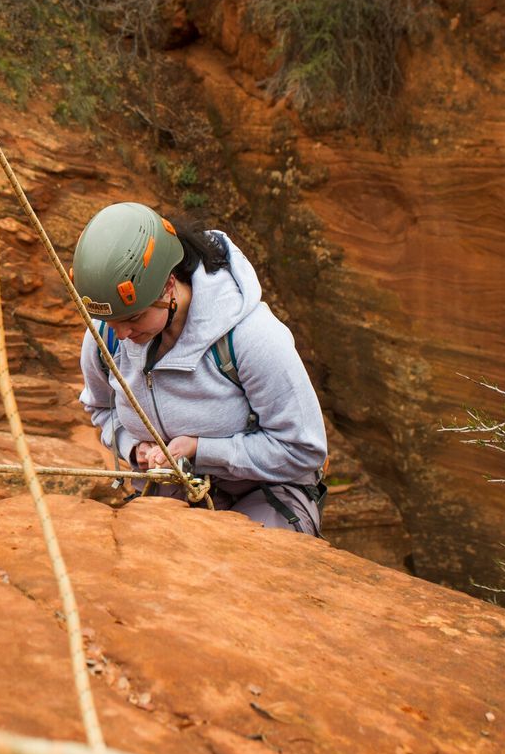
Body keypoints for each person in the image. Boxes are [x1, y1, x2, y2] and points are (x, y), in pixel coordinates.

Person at [71, 203, 328, 534]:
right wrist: (133, 448)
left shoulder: (251, 338)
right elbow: (102, 409)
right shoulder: (105, 338)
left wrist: (203, 451)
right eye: (110, 321)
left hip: (265, 490)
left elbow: (303, 448)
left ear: (169, 285)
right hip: (171, 487)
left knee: (240, 564)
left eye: (133, 318)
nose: (121, 335)